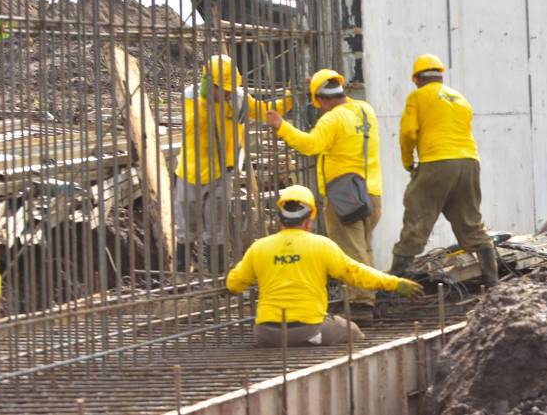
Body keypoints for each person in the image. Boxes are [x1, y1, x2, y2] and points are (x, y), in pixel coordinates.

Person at [226, 185, 421, 347]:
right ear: (310, 219)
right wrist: (395, 283)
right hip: (308, 330)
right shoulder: (321, 245)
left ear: (280, 219)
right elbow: (355, 273)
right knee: (352, 332)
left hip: (266, 336)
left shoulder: (259, 247)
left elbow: (234, 284)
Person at [267, 69, 383, 320]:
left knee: (351, 251)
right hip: (371, 193)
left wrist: (281, 126)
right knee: (364, 249)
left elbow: (311, 145)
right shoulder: (365, 110)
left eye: (317, 103)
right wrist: (315, 81)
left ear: (322, 100)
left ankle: (362, 304)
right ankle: (367, 295)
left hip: (345, 195)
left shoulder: (333, 119)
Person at [175, 54, 292, 273]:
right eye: (223, 88)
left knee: (217, 227)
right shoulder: (191, 98)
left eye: (230, 88)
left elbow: (264, 111)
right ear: (209, 83)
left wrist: (288, 98)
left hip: (221, 173)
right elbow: (194, 127)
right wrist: (205, 101)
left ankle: (215, 277)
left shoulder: (238, 98)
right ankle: (182, 276)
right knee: (186, 227)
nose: (228, 93)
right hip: (190, 173)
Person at [390, 54, 498, 287]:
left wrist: (409, 162)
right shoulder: (459, 98)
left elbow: (408, 133)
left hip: (437, 162)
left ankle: (394, 288)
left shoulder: (418, 96)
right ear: (440, 75)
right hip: (469, 163)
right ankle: (493, 283)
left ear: (417, 79)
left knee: (417, 219)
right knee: (471, 222)